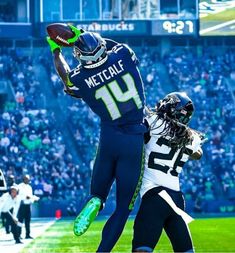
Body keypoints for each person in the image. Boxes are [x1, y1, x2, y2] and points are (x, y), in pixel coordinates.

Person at [47, 26, 146, 252]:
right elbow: (109, 45)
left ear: (80, 57)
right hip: (133, 137)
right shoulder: (124, 53)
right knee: (123, 209)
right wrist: (83, 35)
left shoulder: (80, 78)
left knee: (98, 193)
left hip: (109, 137)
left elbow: (66, 80)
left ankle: (97, 199)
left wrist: (56, 51)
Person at [132, 92, 206, 253]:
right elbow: (198, 154)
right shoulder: (191, 137)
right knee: (186, 251)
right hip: (176, 199)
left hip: (155, 196)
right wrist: (180, 138)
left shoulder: (153, 122)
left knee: (142, 249)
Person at [17, 174, 39, 239]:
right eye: (26, 179)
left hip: (28, 205)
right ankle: (18, 234)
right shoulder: (19, 186)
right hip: (22, 205)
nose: (27, 180)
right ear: (23, 179)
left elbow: (31, 196)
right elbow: (19, 196)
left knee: (28, 221)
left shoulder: (29, 187)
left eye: (28, 179)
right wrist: (25, 197)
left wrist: (33, 199)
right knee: (20, 220)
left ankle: (27, 234)